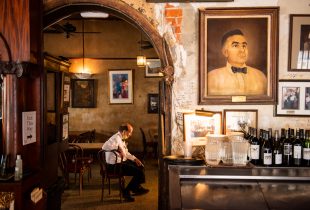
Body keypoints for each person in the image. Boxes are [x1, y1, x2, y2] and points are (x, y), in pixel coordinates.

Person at [208, 29, 267, 96]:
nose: (242, 50)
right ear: (225, 52)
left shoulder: (261, 77)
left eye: (244, 46)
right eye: (235, 46)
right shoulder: (212, 78)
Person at [102, 123, 149, 202]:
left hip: (121, 162)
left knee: (140, 166)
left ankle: (136, 188)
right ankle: (127, 191)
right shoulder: (115, 138)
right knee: (138, 173)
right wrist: (115, 148)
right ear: (124, 131)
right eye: (129, 132)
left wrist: (135, 159)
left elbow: (126, 153)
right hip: (114, 166)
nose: (130, 134)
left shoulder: (121, 138)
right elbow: (104, 146)